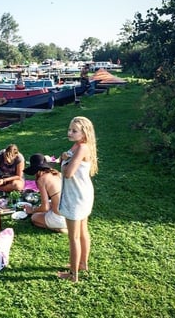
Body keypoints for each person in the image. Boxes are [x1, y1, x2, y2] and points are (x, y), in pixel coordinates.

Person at [57, 116, 98, 282]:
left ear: (84, 133)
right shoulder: (78, 146)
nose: (70, 133)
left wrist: (65, 161)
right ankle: (82, 264)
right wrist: (63, 158)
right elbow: (65, 162)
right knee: (82, 232)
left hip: (76, 197)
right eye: (69, 129)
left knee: (74, 237)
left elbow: (68, 173)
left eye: (74, 131)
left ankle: (73, 274)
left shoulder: (81, 148)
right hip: (83, 193)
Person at [23, 154, 67, 234]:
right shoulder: (58, 174)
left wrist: (32, 210)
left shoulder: (41, 180)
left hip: (61, 219)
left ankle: (58, 228)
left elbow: (45, 207)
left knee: (34, 218)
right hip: (72, 214)